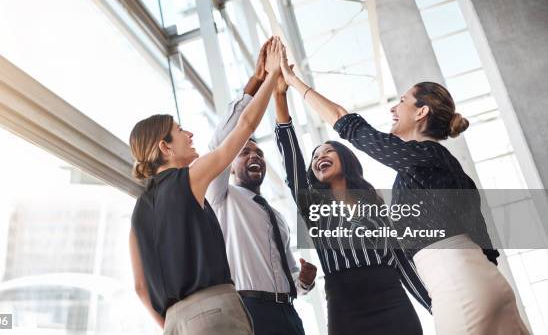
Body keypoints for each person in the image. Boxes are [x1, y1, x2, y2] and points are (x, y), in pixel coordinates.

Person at [278, 47, 529, 334]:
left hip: (457, 285)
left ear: (421, 112)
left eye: (402, 101)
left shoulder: (423, 156)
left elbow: (347, 124)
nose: (393, 108)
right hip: (488, 281)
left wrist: (292, 81)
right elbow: (485, 243)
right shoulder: (442, 165)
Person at [127, 37, 284, 335]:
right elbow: (245, 127)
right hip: (215, 309)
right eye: (179, 130)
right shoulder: (188, 179)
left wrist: (175, 323)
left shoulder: (138, 210)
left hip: (175, 323)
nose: (189, 134)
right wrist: (274, 74)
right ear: (165, 147)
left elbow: (139, 287)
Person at [274, 66, 430, 335]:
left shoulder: (375, 203)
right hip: (345, 304)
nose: (320, 156)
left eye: (328, 150)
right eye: (315, 156)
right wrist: (280, 96)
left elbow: (401, 260)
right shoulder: (311, 204)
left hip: (392, 299)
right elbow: (291, 160)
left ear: (345, 159)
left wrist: (433, 304)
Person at [206, 39, 317, 335]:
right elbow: (221, 142)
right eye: (244, 152)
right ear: (229, 165)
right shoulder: (220, 198)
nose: (254, 155)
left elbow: (289, 277)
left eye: (260, 154)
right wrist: (257, 81)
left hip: (289, 314)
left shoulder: (277, 216)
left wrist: (304, 281)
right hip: (248, 312)